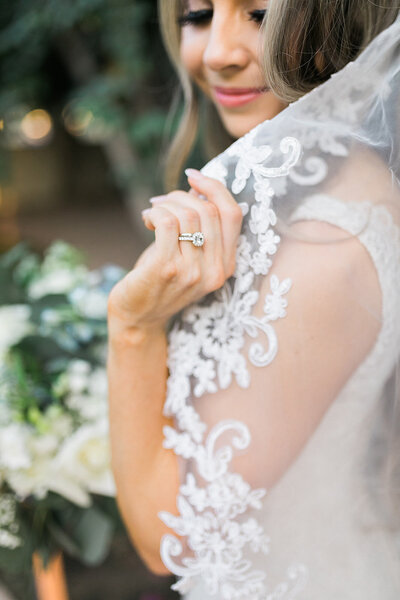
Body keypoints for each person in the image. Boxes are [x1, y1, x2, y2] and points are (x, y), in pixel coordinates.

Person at [107, 1, 400, 598]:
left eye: (260, 14)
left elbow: (173, 538)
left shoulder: (326, 247)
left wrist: (132, 329)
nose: (217, 52)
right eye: (197, 15)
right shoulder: (325, 197)